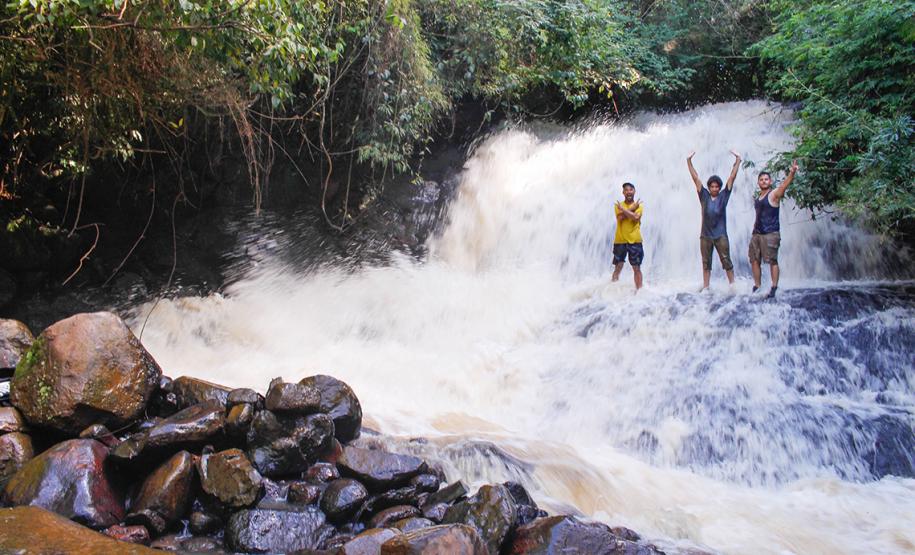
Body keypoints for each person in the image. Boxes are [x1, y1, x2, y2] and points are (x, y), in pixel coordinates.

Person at [687, 150, 741, 291]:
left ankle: (732, 286)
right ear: (709, 187)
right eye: (712, 186)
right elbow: (696, 179)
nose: (715, 188)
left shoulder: (724, 196)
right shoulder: (703, 196)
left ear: (720, 187)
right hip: (705, 236)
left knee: (726, 260)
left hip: (721, 235)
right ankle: (706, 287)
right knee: (706, 263)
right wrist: (689, 161)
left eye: (717, 186)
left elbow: (732, 177)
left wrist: (738, 160)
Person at [750, 160, 799, 298]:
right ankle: (757, 285)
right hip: (757, 233)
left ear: (770, 182)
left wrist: (792, 172)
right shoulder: (758, 197)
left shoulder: (774, 194)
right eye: (761, 180)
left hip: (770, 233)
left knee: (772, 261)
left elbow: (784, 186)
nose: (764, 181)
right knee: (754, 260)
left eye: (766, 179)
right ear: (758, 183)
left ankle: (774, 287)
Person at [611, 182, 644, 290]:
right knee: (618, 267)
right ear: (623, 192)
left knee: (636, 268)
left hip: (635, 240)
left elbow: (635, 218)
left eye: (631, 189)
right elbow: (620, 218)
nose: (628, 192)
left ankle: (639, 291)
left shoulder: (640, 205)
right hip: (620, 241)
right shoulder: (618, 205)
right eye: (626, 190)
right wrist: (632, 209)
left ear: (634, 191)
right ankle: (612, 290)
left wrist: (625, 210)